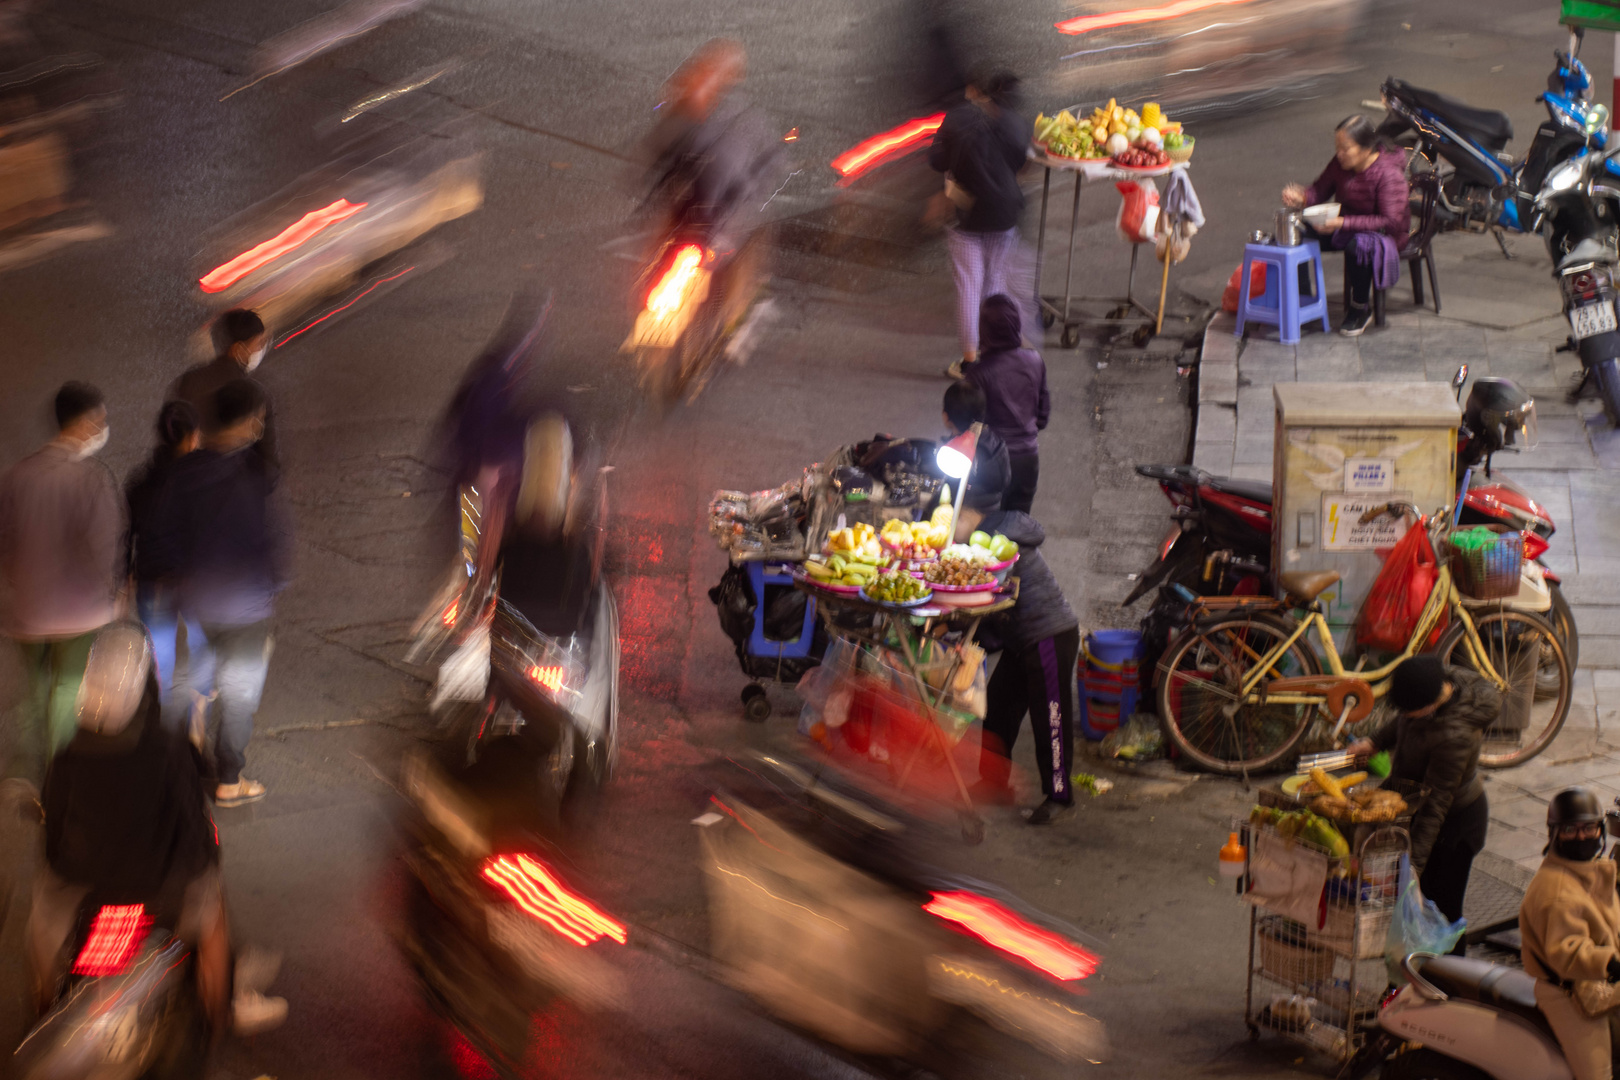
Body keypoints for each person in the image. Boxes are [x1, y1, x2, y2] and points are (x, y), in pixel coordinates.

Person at [27, 621, 285, 1033]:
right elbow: (194, 833)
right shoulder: (168, 748)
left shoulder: (68, 754)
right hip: (159, 890)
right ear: (146, 686)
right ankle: (226, 1007)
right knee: (212, 908)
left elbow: (52, 837)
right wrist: (206, 866)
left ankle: (42, 1018)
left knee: (40, 939)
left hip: (80, 893)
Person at [152, 380, 289, 807]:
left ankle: (183, 758)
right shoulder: (254, 477)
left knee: (199, 672)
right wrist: (273, 584)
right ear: (250, 422)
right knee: (239, 692)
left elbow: (166, 536)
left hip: (200, 603)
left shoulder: (185, 473)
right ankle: (230, 779)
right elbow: (272, 544)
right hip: (246, 606)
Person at [0, 382, 122, 785]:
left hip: (28, 612)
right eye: (101, 421)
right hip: (79, 614)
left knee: (37, 690)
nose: (103, 428)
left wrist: (18, 580)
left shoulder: (18, 475)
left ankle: (26, 768)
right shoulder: (92, 479)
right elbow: (106, 548)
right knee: (67, 692)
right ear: (86, 424)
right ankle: (59, 776)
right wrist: (113, 593)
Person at [953, 468, 1081, 825]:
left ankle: (1059, 795)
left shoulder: (991, 543)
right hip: (1020, 639)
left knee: (1050, 719)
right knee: (999, 711)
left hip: (1048, 636)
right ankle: (994, 784)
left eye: (954, 522)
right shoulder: (988, 536)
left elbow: (983, 598)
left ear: (967, 515)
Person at [1347, 656, 1497, 943]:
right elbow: (1403, 719)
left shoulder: (1455, 735)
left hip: (1454, 827)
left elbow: (1435, 804)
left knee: (1442, 915)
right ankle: (1406, 984)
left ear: (1429, 706)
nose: (1405, 715)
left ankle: (1447, 983)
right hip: (1417, 807)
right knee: (1409, 912)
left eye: (1411, 711)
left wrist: (1412, 865)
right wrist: (1375, 741)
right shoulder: (1433, 683)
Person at [929, 66, 1028, 378]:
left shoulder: (958, 117)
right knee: (995, 281)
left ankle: (970, 363)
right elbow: (1020, 161)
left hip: (966, 213)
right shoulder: (1015, 123)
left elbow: (936, 161)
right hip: (1005, 213)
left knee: (968, 284)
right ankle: (994, 354)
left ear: (976, 91)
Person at [1518, 787, 1620, 1080]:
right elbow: (1568, 952)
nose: (1581, 837)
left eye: (1589, 828)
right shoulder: (1557, 892)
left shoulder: (1588, 871)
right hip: (1567, 991)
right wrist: (1609, 962)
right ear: (1554, 834)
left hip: (1596, 982)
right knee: (1597, 1075)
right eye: (1570, 830)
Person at [1281, 114, 1409, 338]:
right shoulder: (1340, 164)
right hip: (1345, 224)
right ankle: (1303, 300)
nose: (1339, 153)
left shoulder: (1388, 174)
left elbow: (1391, 221)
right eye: (1337, 147)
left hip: (1384, 234)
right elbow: (1319, 191)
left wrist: (1342, 223)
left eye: (1346, 148)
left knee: (1358, 245)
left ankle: (1360, 308)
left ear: (1367, 148)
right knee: (1297, 232)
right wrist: (1301, 197)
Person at [125, 400, 211, 728]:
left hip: (152, 584)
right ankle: (197, 719)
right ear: (191, 437)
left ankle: (168, 727)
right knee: (204, 649)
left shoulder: (140, 482)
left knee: (162, 660)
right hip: (195, 585)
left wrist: (125, 575)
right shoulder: (202, 482)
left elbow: (126, 533)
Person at [169, 308, 279, 486]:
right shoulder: (254, 395)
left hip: (191, 485)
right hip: (235, 491)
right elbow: (268, 463)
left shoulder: (187, 382)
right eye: (258, 344)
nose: (261, 349)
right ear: (237, 349)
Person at [963, 293, 1048, 514]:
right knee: (1017, 530)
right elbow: (1043, 416)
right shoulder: (1035, 361)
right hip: (1028, 461)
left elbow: (968, 425)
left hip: (991, 463)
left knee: (985, 533)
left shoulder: (977, 375)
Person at [943, 379, 1010, 506]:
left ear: (946, 416)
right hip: (993, 511)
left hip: (966, 516)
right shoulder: (995, 442)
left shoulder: (958, 454)